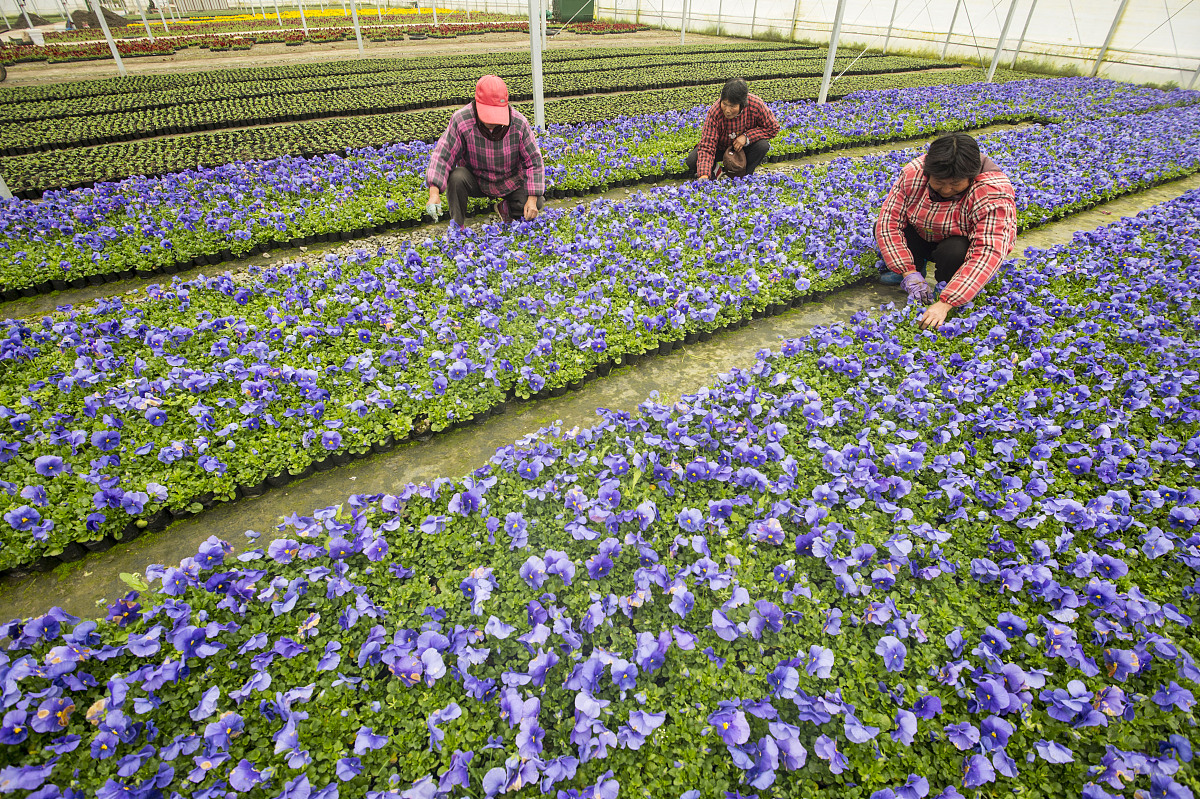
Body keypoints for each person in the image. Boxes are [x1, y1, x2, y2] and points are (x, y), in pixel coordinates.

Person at [875, 131, 1017, 331]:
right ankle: (914, 271)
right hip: (922, 230)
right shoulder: (914, 173)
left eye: (955, 184)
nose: (947, 190)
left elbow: (989, 250)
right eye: (939, 183)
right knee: (881, 226)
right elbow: (889, 221)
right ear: (928, 172)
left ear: (972, 177)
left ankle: (947, 286)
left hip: (955, 242)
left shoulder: (992, 191)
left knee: (954, 250)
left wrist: (947, 301)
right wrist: (908, 270)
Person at [425, 75, 545, 228]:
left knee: (537, 200)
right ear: (476, 104)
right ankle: (457, 227)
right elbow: (443, 155)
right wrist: (434, 193)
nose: (492, 122)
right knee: (456, 177)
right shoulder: (461, 120)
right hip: (477, 179)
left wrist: (532, 199)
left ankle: (506, 209)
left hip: (510, 180)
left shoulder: (519, 123)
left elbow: (533, 161)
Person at [686, 77, 780, 181]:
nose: (727, 110)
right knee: (692, 160)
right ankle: (717, 173)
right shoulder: (715, 112)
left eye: (732, 106)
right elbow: (707, 145)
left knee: (762, 146)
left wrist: (747, 137)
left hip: (742, 149)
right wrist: (703, 174)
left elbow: (773, 127)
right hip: (720, 148)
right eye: (724, 104)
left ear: (742, 104)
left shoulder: (755, 104)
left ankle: (744, 176)